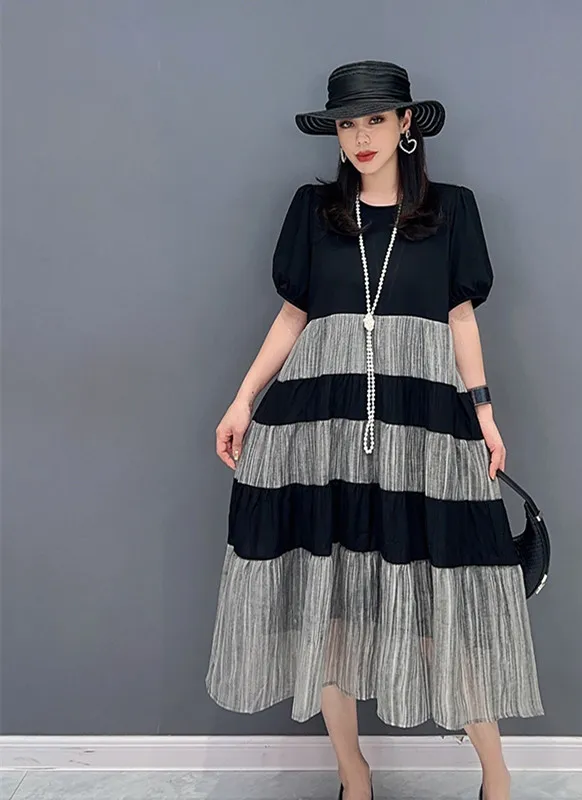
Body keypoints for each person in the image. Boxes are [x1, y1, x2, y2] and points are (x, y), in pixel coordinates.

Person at [206, 60, 544, 800]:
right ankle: (352, 775)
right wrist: (242, 400)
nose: (360, 136)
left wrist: (485, 413)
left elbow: (460, 317)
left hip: (423, 427)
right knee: (329, 605)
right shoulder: (313, 211)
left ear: (405, 125)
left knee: (445, 606)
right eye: (347, 123)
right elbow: (294, 315)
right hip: (318, 428)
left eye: (375, 120)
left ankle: (497, 779)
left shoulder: (452, 210)